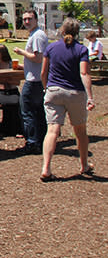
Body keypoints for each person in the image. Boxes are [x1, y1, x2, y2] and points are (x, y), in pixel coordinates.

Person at [39, 18, 96, 181]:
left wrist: (46, 88)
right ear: (78, 32)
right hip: (75, 93)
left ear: (61, 31)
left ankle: (46, 168)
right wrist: (90, 97)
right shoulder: (81, 49)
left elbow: (43, 72)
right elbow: (84, 73)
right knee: (80, 131)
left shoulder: (51, 48)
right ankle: (84, 165)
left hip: (54, 92)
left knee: (52, 130)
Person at [13, 9, 48, 155]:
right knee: (38, 111)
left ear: (36, 20)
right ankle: (41, 141)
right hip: (37, 79)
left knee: (27, 111)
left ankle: (33, 142)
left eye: (29, 19)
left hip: (34, 81)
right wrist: (23, 66)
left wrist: (21, 52)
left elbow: (38, 58)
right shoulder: (35, 34)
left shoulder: (38, 36)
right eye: (24, 19)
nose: (27, 21)